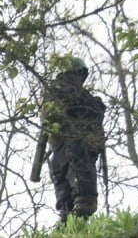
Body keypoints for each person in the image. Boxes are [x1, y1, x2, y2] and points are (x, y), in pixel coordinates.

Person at [41, 55, 106, 224]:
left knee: (75, 199)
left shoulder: (65, 94)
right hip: (67, 148)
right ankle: (69, 223)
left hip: (70, 149)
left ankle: (72, 222)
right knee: (71, 197)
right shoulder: (59, 91)